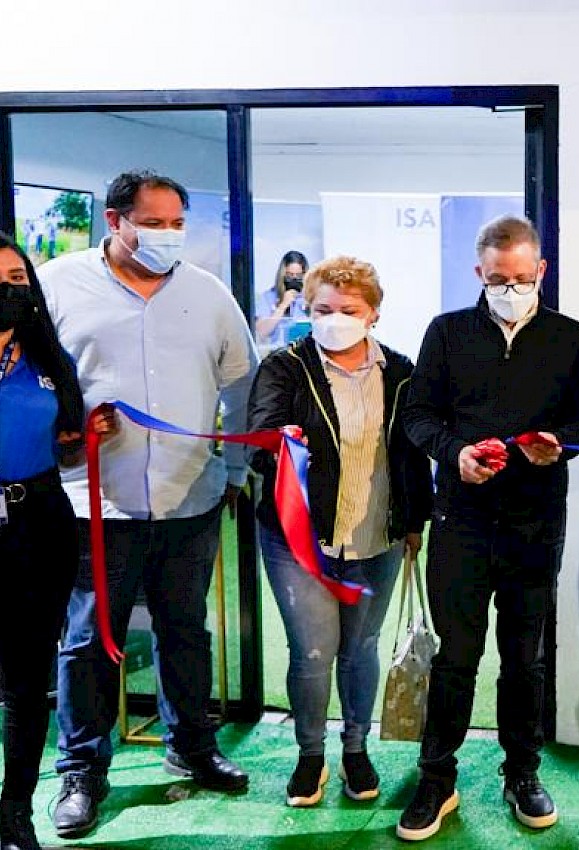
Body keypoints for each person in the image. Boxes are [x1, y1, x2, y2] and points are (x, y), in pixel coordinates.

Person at [40, 170, 260, 839]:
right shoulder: (57, 286)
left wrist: (236, 468)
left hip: (189, 497)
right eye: (154, 222)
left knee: (185, 631)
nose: (168, 235)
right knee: (86, 642)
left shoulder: (207, 293)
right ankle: (82, 769)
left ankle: (191, 745)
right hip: (93, 504)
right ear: (116, 221)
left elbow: (242, 384)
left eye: (176, 223)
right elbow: (28, 377)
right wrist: (69, 431)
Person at [396, 214, 579, 841]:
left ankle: (523, 772)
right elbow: (418, 416)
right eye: (497, 278)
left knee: (525, 658)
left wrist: (557, 444)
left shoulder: (571, 337)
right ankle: (437, 776)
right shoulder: (447, 333)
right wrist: (454, 452)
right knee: (455, 656)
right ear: (478, 273)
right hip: (462, 518)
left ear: (540, 270)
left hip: (536, 521)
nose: (509, 287)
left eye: (520, 277)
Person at [247, 254, 433, 807]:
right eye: (323, 309)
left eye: (349, 309)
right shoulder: (285, 367)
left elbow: (412, 454)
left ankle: (356, 749)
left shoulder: (400, 372)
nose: (335, 319)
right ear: (308, 308)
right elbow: (259, 437)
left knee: (360, 647)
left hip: (377, 534)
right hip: (300, 540)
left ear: (373, 313)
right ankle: (310, 755)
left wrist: (415, 522)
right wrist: (282, 446)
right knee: (312, 651)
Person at [0, 233, 108, 850]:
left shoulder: (44, 357)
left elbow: (62, 448)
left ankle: (15, 810)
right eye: (0, 279)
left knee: (25, 677)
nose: (12, 291)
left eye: (20, 279)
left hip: (38, 520)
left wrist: (83, 434)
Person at [255, 250, 310, 348]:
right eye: (290, 275)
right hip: (279, 352)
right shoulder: (269, 297)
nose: (294, 279)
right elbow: (261, 332)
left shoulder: (310, 297)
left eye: (298, 275)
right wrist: (282, 306)